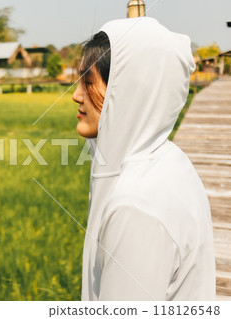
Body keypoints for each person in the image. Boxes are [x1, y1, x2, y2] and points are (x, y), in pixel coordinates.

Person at [72, 17, 216, 300]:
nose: (76, 95)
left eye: (88, 82)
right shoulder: (168, 161)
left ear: (126, 91)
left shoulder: (135, 207)